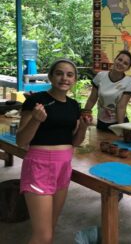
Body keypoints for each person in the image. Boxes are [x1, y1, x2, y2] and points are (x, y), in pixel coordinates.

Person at [16, 59, 92, 244]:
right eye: (59, 73)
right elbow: (21, 141)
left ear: (74, 79)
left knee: (51, 226)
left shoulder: (74, 105)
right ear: (50, 76)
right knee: (43, 236)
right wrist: (35, 120)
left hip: (63, 166)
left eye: (69, 74)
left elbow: (74, 141)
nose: (64, 78)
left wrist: (83, 127)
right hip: (39, 167)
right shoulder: (36, 101)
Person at [84, 50, 131, 131]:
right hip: (101, 121)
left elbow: (121, 107)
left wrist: (120, 128)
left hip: (118, 121)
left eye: (125, 63)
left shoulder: (129, 82)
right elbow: (92, 99)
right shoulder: (100, 76)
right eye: (120, 60)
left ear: (128, 68)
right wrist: (84, 115)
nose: (121, 63)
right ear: (115, 60)